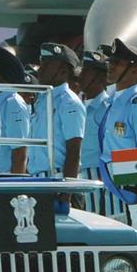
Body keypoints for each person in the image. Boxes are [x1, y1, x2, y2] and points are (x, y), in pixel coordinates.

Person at [98, 39, 137, 239]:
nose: (110, 66)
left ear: (135, 71)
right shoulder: (115, 101)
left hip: (130, 194)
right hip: (112, 189)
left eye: (117, 63)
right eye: (111, 62)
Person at [27, 43, 86, 179]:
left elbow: (74, 152)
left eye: (47, 65)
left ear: (63, 71)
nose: (40, 70)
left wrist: (66, 194)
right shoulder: (42, 99)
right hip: (35, 178)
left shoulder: (69, 102)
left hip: (56, 178)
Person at [77, 51, 114, 214]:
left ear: (100, 78)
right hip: (80, 179)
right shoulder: (79, 106)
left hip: (100, 180)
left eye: (86, 71)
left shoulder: (108, 108)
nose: (80, 76)